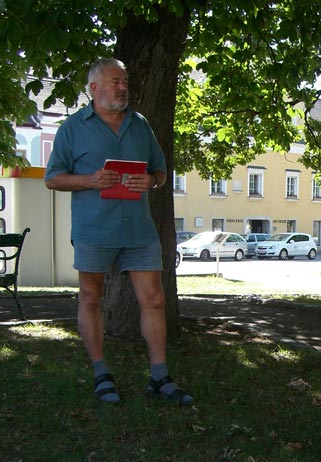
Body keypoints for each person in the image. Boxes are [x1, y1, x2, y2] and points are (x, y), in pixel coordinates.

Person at [45, 58, 192, 406]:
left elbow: (160, 171)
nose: (122, 87)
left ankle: (159, 377)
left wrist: (152, 181)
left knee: (154, 300)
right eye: (114, 81)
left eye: (124, 81)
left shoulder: (140, 125)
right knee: (91, 298)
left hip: (138, 229)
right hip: (94, 228)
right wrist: (89, 180)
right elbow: (53, 178)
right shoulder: (72, 128)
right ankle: (101, 373)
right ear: (94, 88)